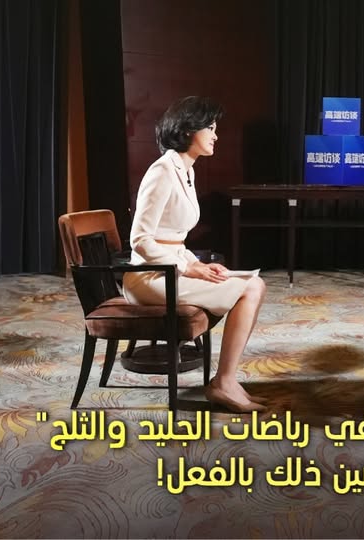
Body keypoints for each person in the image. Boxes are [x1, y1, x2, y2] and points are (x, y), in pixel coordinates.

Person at [123, 96, 267, 413]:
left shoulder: (186, 170)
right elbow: (140, 240)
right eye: (210, 128)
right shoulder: (162, 171)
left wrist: (196, 264)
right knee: (251, 287)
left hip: (170, 270)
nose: (216, 135)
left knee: (253, 283)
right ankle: (223, 382)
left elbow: (173, 238)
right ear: (189, 130)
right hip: (148, 278)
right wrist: (187, 269)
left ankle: (226, 380)